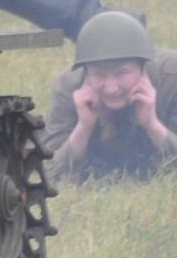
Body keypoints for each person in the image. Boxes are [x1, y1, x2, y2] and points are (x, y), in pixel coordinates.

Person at [41, 11, 177, 183]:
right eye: (99, 75)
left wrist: (152, 125)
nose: (111, 88)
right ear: (86, 71)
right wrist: (83, 128)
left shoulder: (172, 79)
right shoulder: (69, 86)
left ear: (142, 66)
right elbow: (49, 174)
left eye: (122, 73)